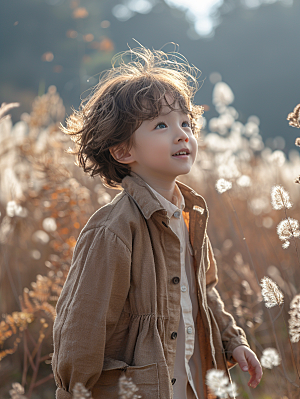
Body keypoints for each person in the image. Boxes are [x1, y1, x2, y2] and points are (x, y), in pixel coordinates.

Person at [52, 46, 262, 399]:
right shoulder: (113, 230)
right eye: (161, 125)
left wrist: (233, 341)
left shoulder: (191, 216)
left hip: (191, 384)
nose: (182, 134)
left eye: (186, 123)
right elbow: (82, 327)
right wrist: (73, 391)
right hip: (140, 388)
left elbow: (203, 292)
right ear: (123, 151)